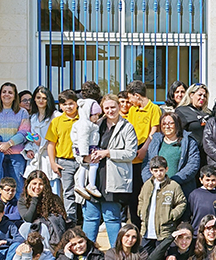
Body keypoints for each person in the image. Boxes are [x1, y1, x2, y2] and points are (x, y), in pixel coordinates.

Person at [83, 94, 139, 247]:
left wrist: (107, 153)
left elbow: (131, 153)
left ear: (119, 107)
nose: (110, 110)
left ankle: (117, 255)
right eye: (106, 108)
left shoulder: (127, 127)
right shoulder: (96, 125)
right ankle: (86, 256)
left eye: (113, 107)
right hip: (93, 178)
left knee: (112, 218)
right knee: (90, 217)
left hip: (113, 179)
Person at [0, 82, 32, 196]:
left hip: (16, 156)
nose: (6, 95)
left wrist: (9, 144)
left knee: (17, 189)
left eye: (10, 92)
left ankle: (17, 213)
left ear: (15, 96)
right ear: (0, 94)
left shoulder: (22, 112)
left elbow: (24, 132)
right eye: (4, 92)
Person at [125, 80, 162, 228]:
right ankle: (135, 224)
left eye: (130, 98)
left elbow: (154, 131)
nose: (129, 101)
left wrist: (144, 149)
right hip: (133, 153)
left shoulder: (154, 109)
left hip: (146, 152)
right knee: (133, 194)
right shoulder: (133, 110)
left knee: (146, 190)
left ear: (137, 95)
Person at [46, 90, 81, 222]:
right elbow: (51, 144)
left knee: (84, 191)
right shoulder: (57, 122)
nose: (69, 107)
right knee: (68, 192)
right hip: (65, 161)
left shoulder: (83, 119)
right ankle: (71, 219)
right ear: (60, 106)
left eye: (71, 103)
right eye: (65, 104)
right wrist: (53, 163)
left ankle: (85, 218)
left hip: (82, 161)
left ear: (76, 104)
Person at [138, 156, 188, 247]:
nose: (159, 173)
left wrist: (171, 215)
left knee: (161, 257)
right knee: (144, 257)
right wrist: (141, 212)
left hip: (164, 231)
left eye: (161, 170)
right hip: (146, 230)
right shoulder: (147, 185)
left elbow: (182, 202)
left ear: (166, 169)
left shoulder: (173, 186)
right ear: (151, 171)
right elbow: (141, 199)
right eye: (156, 171)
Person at [147, 112, 201, 195]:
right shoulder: (155, 141)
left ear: (177, 124)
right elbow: (147, 163)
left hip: (181, 189)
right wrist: (150, 182)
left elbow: (193, 165)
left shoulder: (189, 142)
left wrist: (173, 181)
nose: (167, 126)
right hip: (158, 189)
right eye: (164, 124)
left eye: (171, 123)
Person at [25, 86, 61, 193]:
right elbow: (29, 139)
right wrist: (29, 150)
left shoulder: (56, 116)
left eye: (44, 98)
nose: (41, 100)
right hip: (36, 157)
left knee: (52, 190)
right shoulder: (32, 117)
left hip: (49, 157)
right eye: (38, 97)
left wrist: (43, 142)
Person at [72, 80, 104, 200]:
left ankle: (82, 185)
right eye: (95, 115)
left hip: (88, 148)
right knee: (92, 165)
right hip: (86, 149)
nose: (97, 118)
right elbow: (83, 139)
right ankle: (90, 184)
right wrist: (85, 153)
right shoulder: (85, 124)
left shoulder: (90, 123)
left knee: (84, 167)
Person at [175, 83, 210, 165]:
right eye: (200, 95)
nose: (202, 98)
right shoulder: (182, 111)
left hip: (207, 155)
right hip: (192, 154)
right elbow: (178, 134)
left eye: (204, 96)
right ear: (191, 95)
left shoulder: (208, 112)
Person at [188, 165, 216, 229]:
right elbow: (188, 214)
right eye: (207, 180)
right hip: (196, 231)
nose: (210, 183)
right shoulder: (194, 194)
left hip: (213, 231)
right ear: (201, 180)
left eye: (213, 180)